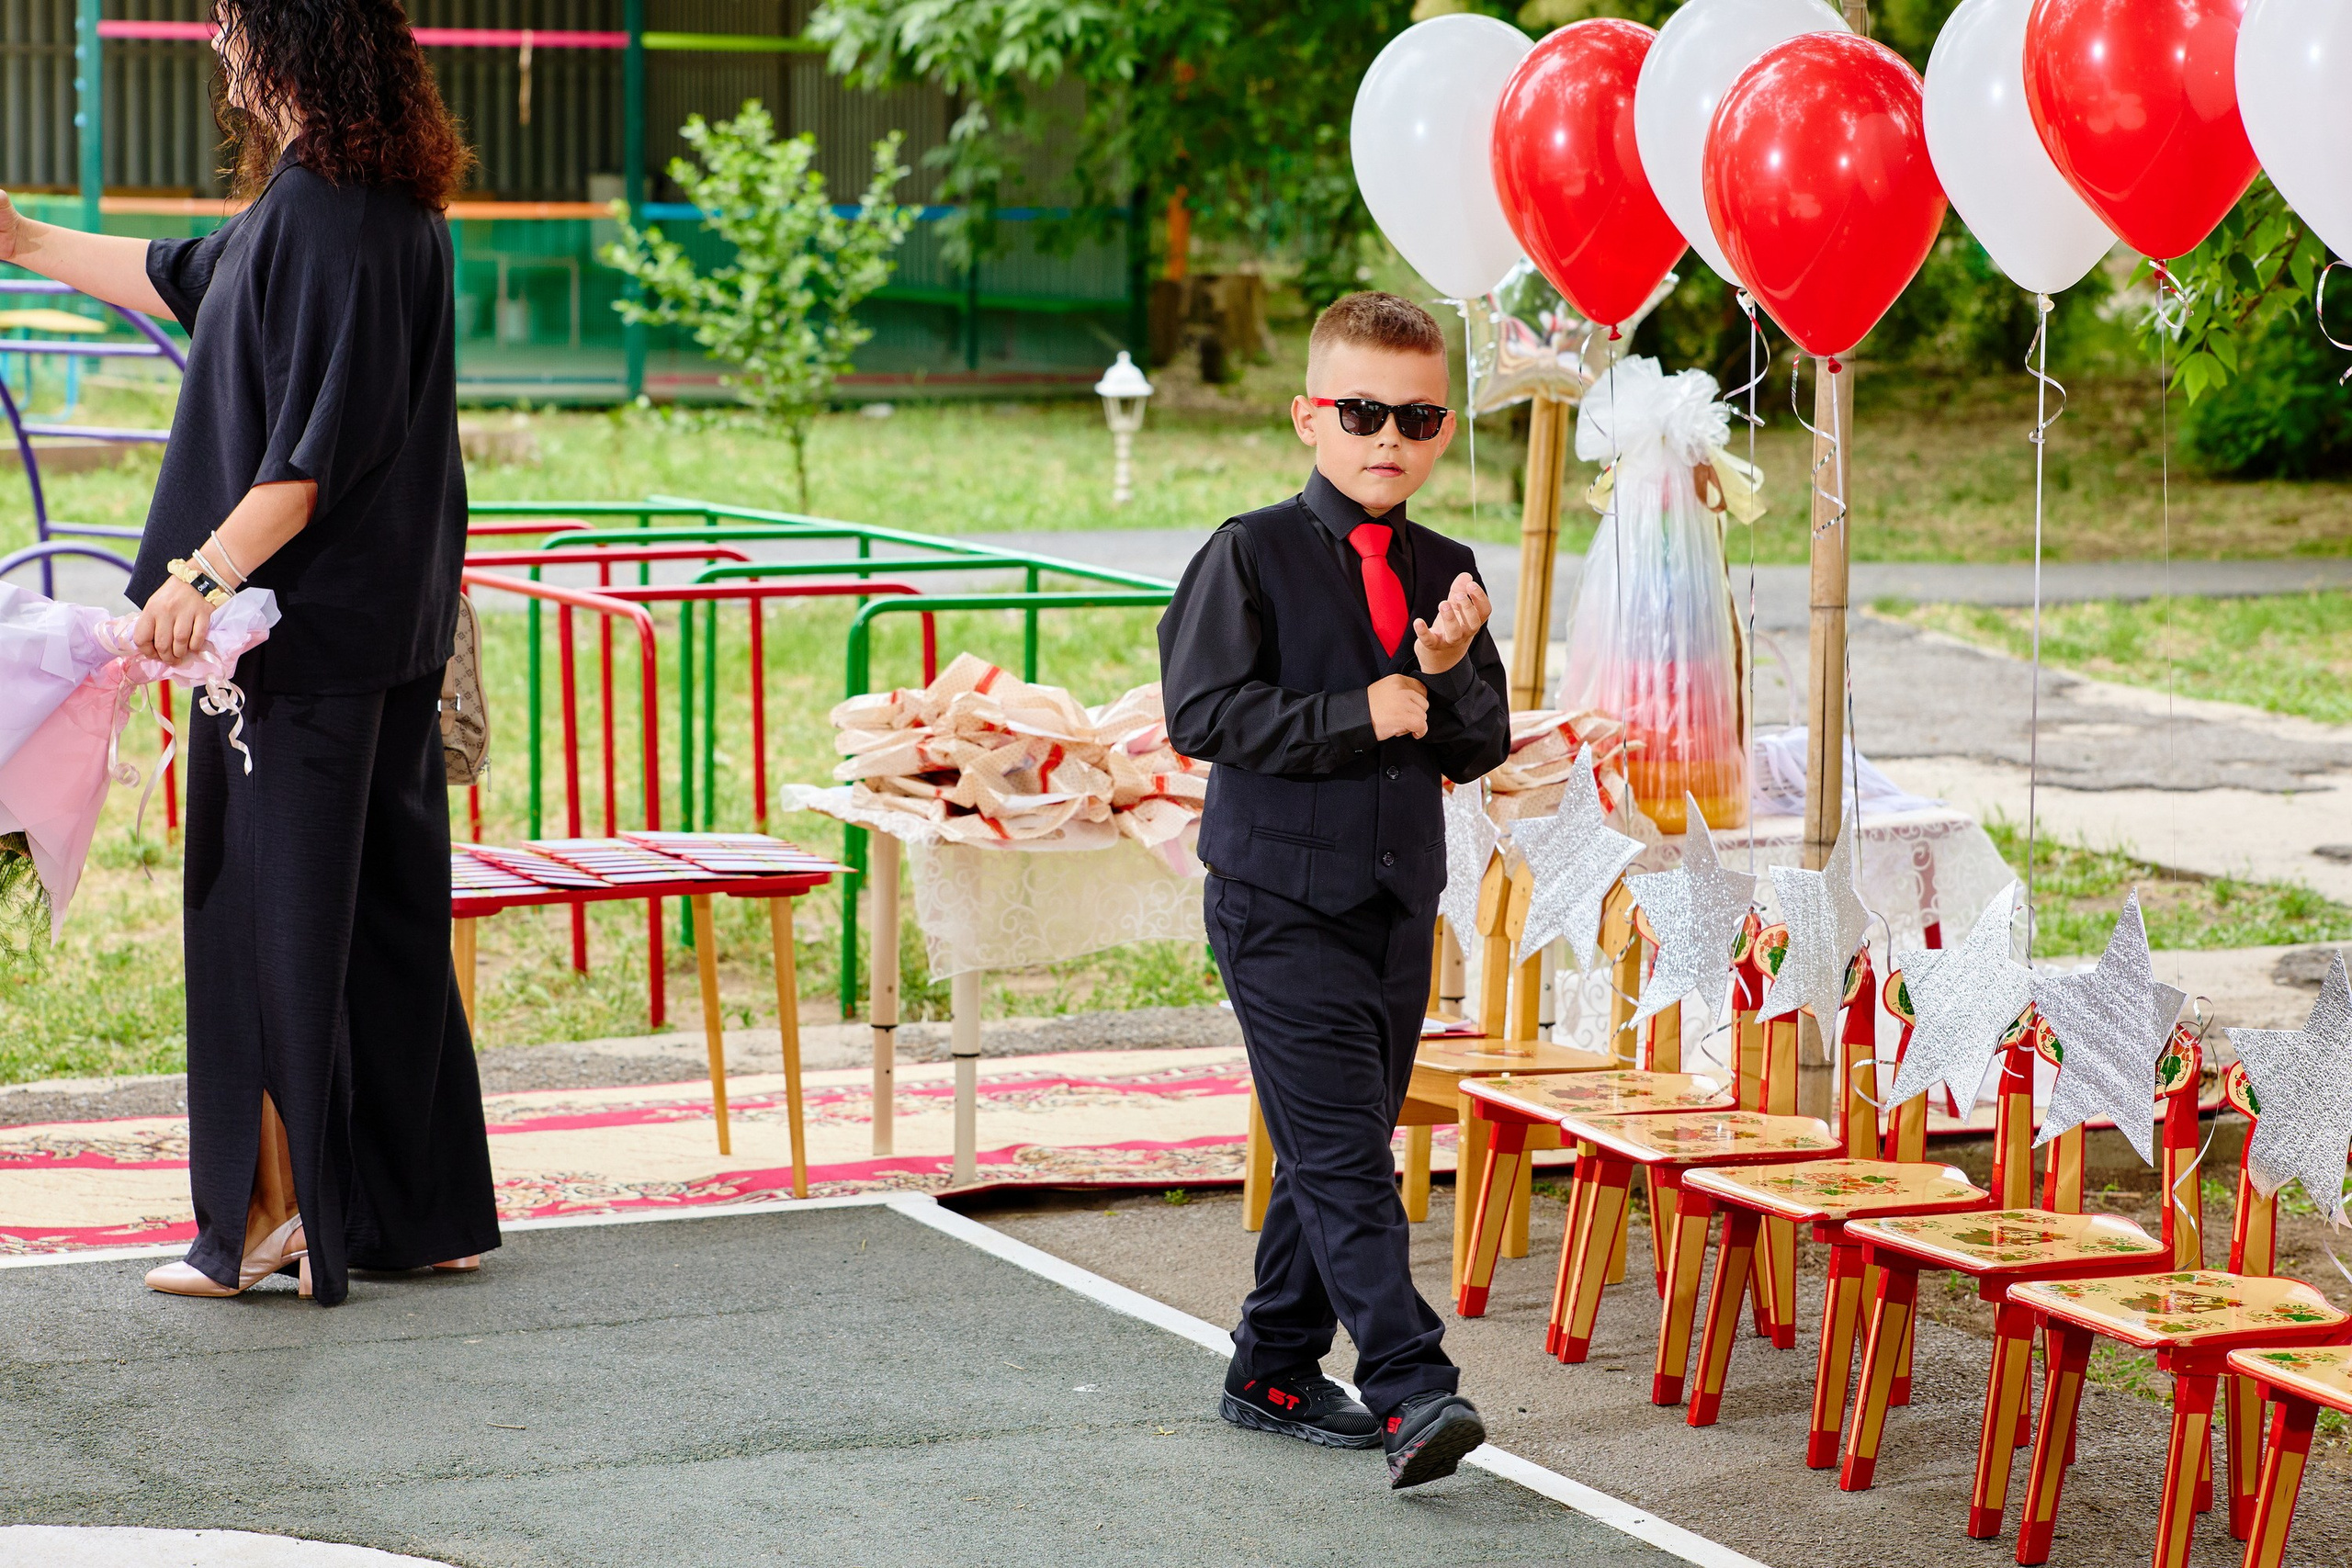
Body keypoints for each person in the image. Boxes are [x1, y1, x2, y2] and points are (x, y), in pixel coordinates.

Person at [0, 0, 498, 1304]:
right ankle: (416, 1211)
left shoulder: (325, 216)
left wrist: (201, 572)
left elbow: (311, 462)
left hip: (292, 638)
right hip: (379, 630)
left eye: (232, 22)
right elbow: (187, 275)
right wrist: (25, 237)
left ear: (292, 42)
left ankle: (268, 1220)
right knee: (384, 920)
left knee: (263, 920)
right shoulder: (362, 206)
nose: (219, 44)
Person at [1159, 292, 1510, 1488]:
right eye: (1361, 411)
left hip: (1396, 903)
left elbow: (1476, 745)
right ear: (1308, 415)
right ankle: (1416, 1388)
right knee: (1350, 1163)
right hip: (1274, 902)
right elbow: (1200, 713)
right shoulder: (1246, 552)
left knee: (1336, 1144)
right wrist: (1354, 712)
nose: (1387, 438)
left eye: (1414, 416)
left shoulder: (1447, 572)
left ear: (1442, 429)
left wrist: (1452, 674)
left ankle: (1273, 1365)